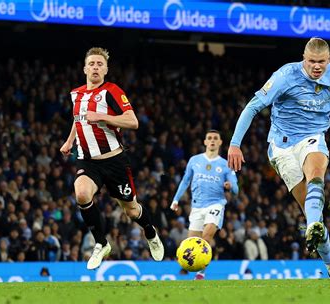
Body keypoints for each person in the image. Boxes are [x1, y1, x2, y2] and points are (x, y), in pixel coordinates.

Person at [227, 37, 330, 284]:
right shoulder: (285, 75)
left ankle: (313, 227)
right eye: (312, 61)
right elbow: (252, 107)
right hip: (281, 147)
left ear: (329, 60)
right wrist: (235, 144)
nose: (316, 66)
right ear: (304, 58)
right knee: (311, 209)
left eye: (321, 62)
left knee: (316, 175)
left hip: (313, 138)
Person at [60, 47, 164, 270]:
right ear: (85, 68)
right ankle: (101, 243)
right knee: (81, 193)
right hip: (87, 160)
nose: (96, 67)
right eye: (92, 64)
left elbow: (133, 121)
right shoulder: (75, 94)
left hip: (114, 161)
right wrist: (70, 141)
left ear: (106, 69)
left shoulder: (112, 91)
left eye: (100, 64)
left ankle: (150, 232)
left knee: (132, 211)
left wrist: (102, 116)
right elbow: (78, 119)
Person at [171, 130, 239, 280]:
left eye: (215, 138)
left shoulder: (226, 164)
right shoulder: (194, 160)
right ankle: (189, 266)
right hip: (197, 206)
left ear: (220, 142)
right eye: (209, 138)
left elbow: (236, 189)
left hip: (216, 204)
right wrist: (175, 200)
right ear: (205, 142)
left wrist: (230, 186)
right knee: (191, 243)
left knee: (207, 235)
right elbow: (185, 181)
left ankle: (201, 271)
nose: (212, 140)